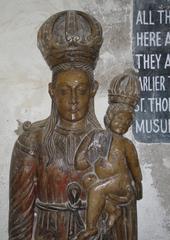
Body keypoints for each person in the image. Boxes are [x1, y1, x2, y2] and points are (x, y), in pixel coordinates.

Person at [8, 10, 103, 240]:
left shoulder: (108, 143)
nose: (73, 100)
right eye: (64, 90)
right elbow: (20, 216)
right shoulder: (32, 142)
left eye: (81, 90)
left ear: (93, 90)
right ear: (52, 92)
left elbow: (122, 211)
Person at [74, 69, 143, 240]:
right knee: (88, 181)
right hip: (106, 182)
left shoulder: (126, 144)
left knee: (97, 189)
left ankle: (90, 228)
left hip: (121, 182)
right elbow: (79, 163)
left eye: (128, 122)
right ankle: (113, 211)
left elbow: (134, 166)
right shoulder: (96, 136)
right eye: (120, 119)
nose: (123, 124)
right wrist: (92, 153)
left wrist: (139, 184)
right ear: (110, 117)